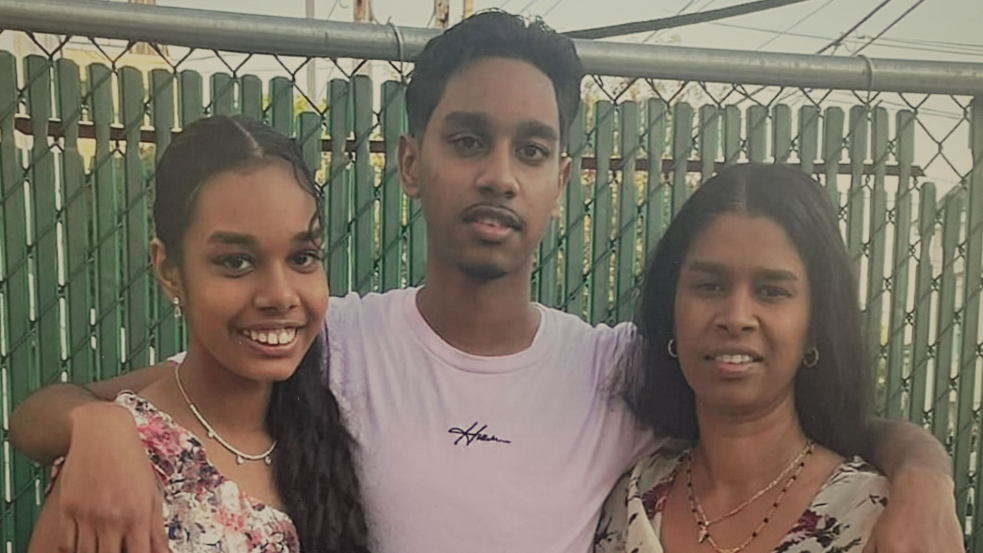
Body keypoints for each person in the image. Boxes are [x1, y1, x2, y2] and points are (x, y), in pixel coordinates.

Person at [10, 11, 962, 553]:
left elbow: (811, 412)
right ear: (410, 160)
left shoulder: (618, 369)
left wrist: (923, 476)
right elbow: (47, 408)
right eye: (468, 140)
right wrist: (96, 428)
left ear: (560, 180)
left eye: (532, 147)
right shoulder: (327, 339)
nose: (499, 172)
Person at [27, 116, 369, 553]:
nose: (280, 295)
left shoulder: (327, 420)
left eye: (302, 257)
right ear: (169, 270)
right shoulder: (127, 468)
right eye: (235, 262)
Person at [594, 164, 893, 553]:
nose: (735, 317)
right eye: (710, 286)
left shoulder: (874, 517)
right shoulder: (629, 499)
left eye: (771, 291)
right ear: (671, 310)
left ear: (816, 324)